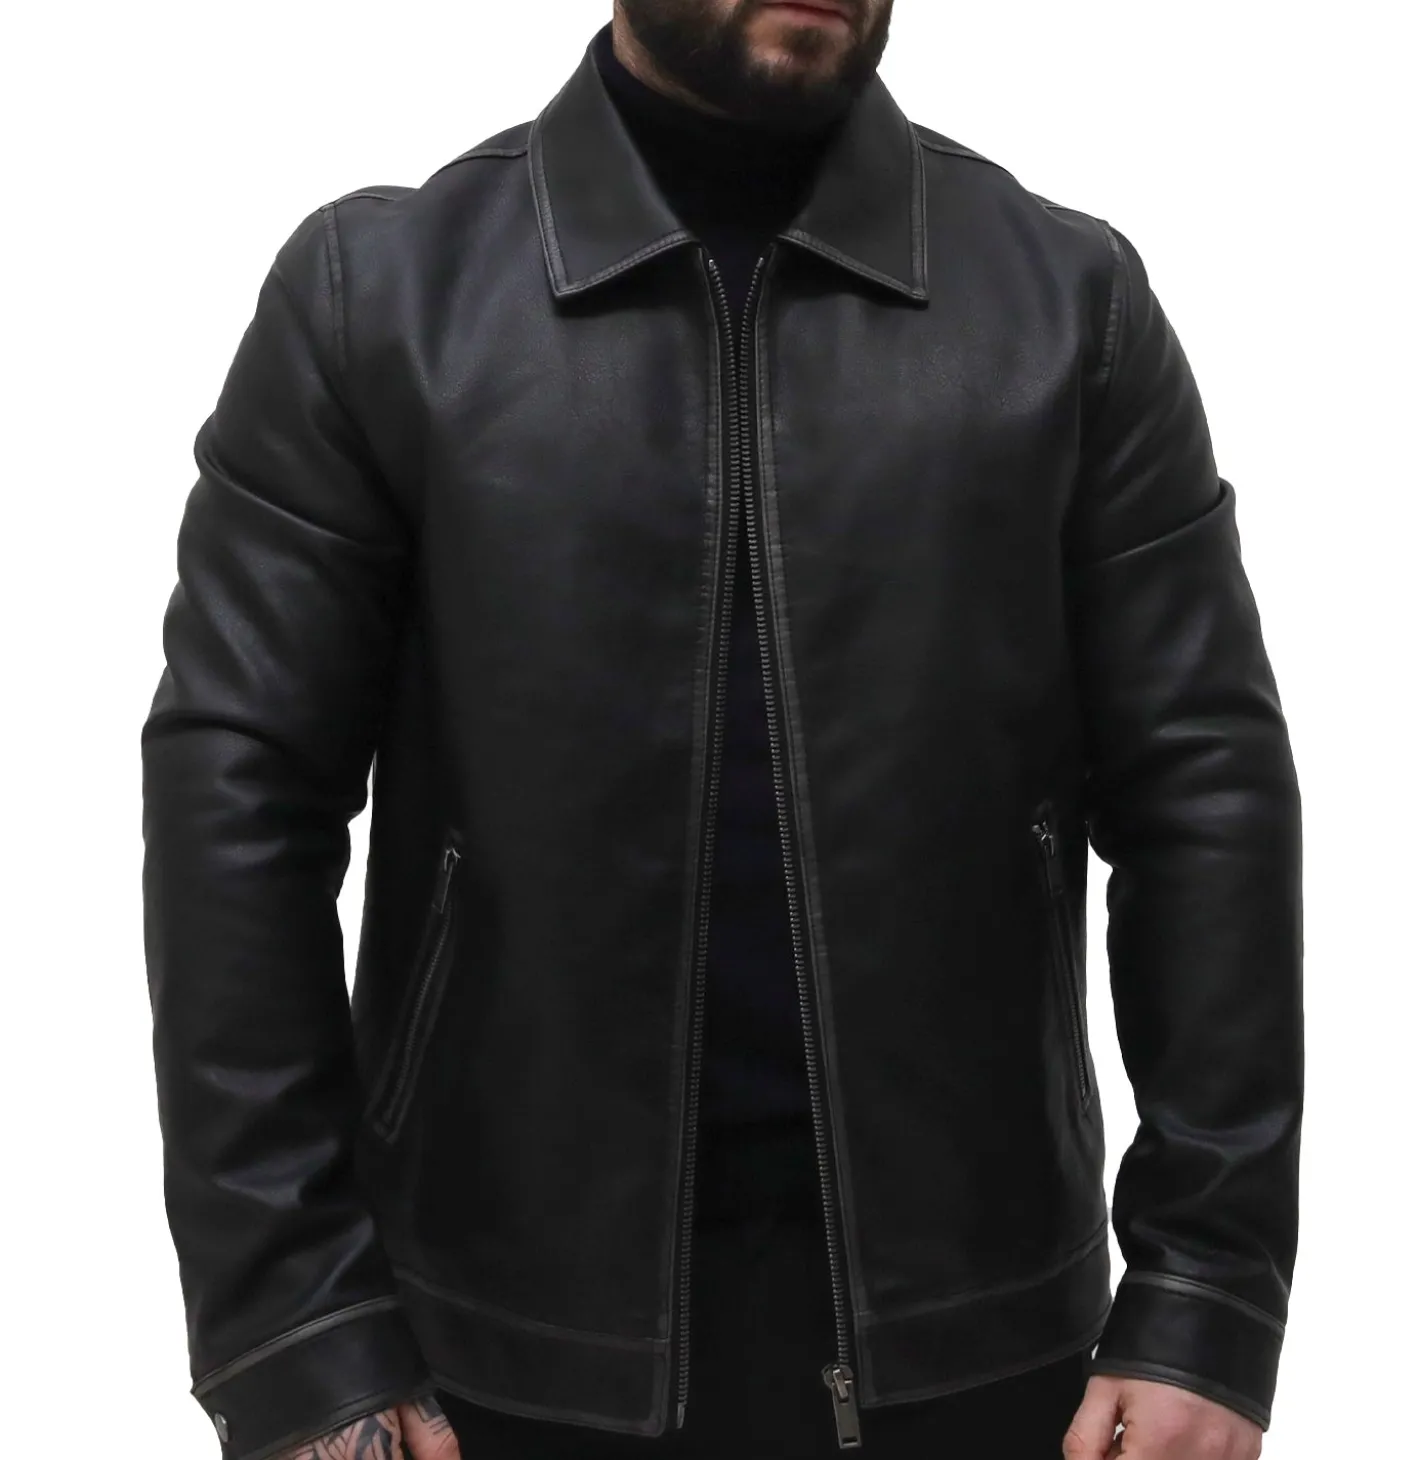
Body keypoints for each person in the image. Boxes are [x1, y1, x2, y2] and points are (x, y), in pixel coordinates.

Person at [139, 1, 1304, 1457]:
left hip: (984, 1350)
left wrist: (1207, 1294)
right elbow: (235, 801)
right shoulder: (376, 299)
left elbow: (1206, 794)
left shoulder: (1070, 306)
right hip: (488, 1357)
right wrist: (296, 1332)